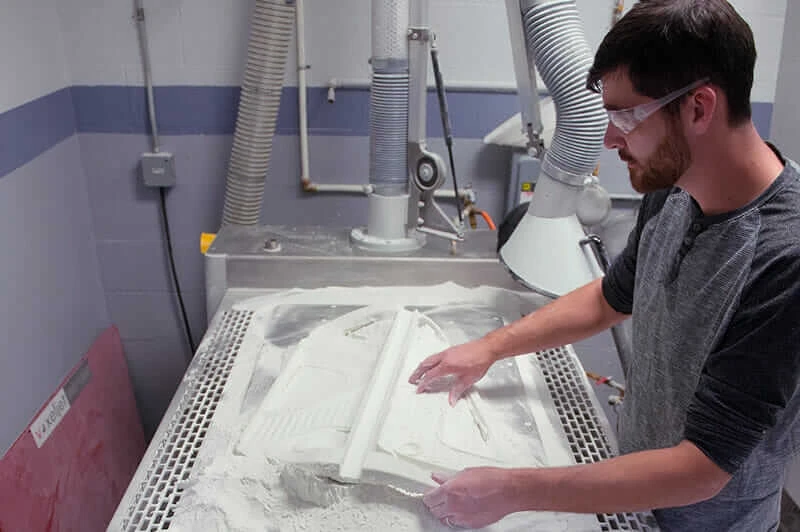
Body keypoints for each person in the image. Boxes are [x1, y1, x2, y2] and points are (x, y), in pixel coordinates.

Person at [408, 1, 800, 530]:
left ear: (699, 108)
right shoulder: (675, 190)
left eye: (626, 116)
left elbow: (703, 467)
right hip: (635, 488)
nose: (610, 138)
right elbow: (611, 297)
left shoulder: (783, 258)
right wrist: (489, 349)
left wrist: (512, 488)